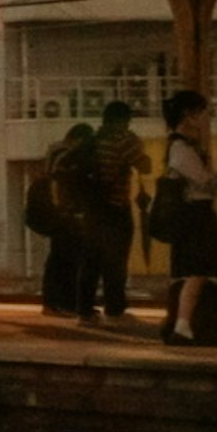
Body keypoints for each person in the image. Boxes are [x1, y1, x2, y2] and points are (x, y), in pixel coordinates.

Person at [151, 91, 217, 348]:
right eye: (200, 112)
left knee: (195, 273)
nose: (204, 118)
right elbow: (206, 182)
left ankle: (181, 325)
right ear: (188, 116)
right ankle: (182, 326)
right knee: (197, 272)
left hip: (194, 215)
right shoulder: (181, 148)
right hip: (195, 216)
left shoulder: (182, 147)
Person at [80, 99, 148, 322]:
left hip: (92, 208)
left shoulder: (94, 140)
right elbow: (145, 165)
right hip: (115, 207)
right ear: (122, 120)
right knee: (116, 260)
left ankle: (85, 309)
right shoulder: (124, 140)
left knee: (91, 260)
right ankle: (115, 308)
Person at [34, 123, 95, 317]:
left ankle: (60, 302)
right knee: (65, 259)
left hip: (59, 213)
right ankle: (60, 303)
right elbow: (63, 183)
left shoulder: (55, 152)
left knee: (61, 258)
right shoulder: (65, 155)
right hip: (64, 213)